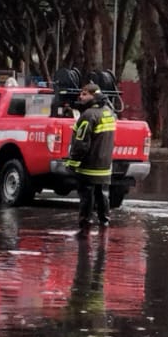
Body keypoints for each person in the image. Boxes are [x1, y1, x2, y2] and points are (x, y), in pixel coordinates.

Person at [66, 82, 116, 229]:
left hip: (89, 166)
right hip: (105, 165)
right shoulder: (108, 112)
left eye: (84, 94)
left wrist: (72, 163)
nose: (80, 97)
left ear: (94, 95)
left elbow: (81, 143)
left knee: (86, 196)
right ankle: (104, 222)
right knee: (102, 195)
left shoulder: (88, 115)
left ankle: (85, 225)